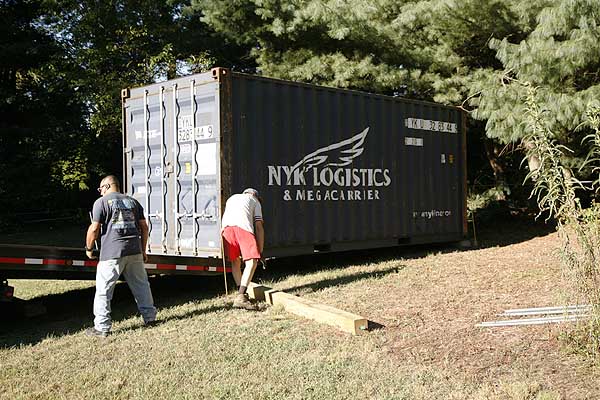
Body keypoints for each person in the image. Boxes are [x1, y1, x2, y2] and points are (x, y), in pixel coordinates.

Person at [84, 175, 157, 337]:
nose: (100, 192)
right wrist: (143, 250)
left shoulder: (101, 203)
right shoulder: (133, 202)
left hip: (111, 253)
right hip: (134, 251)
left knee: (104, 290)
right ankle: (150, 318)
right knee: (141, 286)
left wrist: (89, 248)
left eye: (100, 188)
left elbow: (94, 229)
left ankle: (102, 328)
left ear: (108, 186)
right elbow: (144, 227)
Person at [221, 188, 265, 310]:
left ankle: (240, 292)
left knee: (235, 261)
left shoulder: (232, 198)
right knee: (252, 262)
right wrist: (260, 251)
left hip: (226, 230)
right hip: (243, 228)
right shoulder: (255, 201)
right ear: (255, 195)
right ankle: (241, 296)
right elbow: (259, 226)